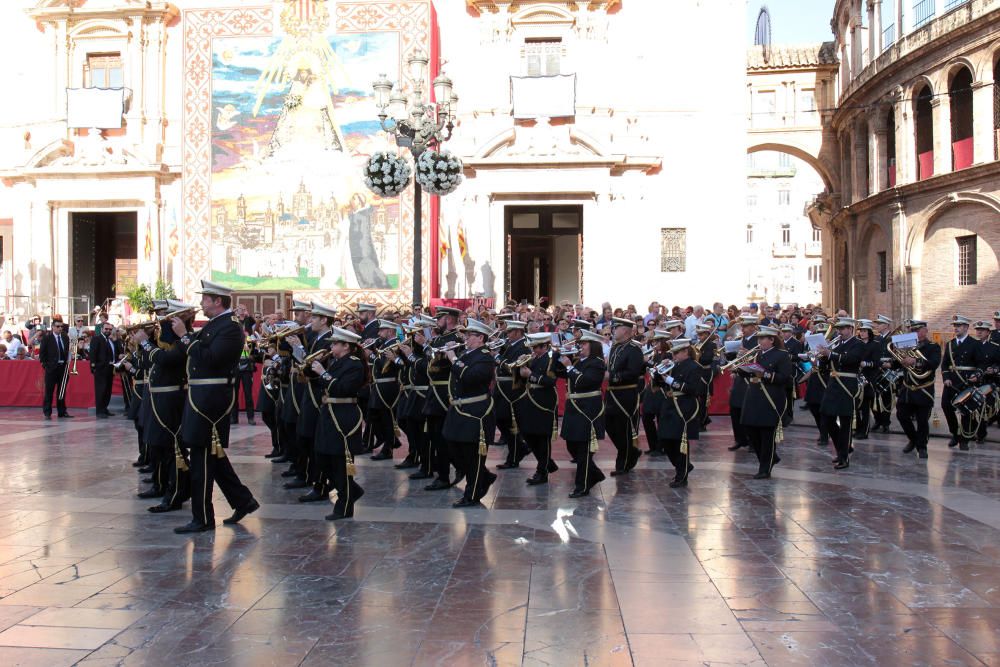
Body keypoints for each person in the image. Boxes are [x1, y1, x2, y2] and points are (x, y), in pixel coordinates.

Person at [173, 280, 259, 534]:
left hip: (211, 399)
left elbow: (210, 359)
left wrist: (184, 336)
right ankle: (243, 500)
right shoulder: (215, 325)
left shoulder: (231, 328)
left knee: (202, 458)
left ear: (217, 301)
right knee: (213, 456)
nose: (201, 304)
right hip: (202, 395)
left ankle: (202, 517)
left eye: (205, 300)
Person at [138, 301, 194, 513]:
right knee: (158, 446)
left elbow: (164, 359)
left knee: (173, 450)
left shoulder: (183, 342)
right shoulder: (169, 342)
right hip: (159, 400)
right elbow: (150, 360)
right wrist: (146, 340)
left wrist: (145, 343)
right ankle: (163, 486)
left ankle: (177, 492)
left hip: (172, 401)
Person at [312, 326, 367, 520]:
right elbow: (321, 384)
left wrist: (323, 373)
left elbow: (343, 388)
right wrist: (316, 371)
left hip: (343, 415)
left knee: (339, 462)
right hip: (329, 413)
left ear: (346, 346)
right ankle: (353, 490)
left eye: (335, 343)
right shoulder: (336, 362)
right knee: (322, 457)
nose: (332, 346)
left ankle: (344, 507)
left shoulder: (354, 364)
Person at [443, 318, 498, 507]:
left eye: (469, 335)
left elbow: (471, 377)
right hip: (459, 409)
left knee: (472, 455)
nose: (465, 338)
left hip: (476, 411)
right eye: (465, 335)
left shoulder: (485, 356)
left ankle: (472, 495)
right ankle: (485, 476)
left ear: (480, 337)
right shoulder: (466, 353)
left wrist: (453, 358)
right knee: (452, 447)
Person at [293, 301, 337, 502]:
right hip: (310, 392)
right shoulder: (319, 338)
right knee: (305, 436)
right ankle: (312, 478)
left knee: (313, 439)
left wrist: (300, 350)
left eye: (314, 318)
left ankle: (320, 483)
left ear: (324, 320)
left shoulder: (329, 340)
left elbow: (313, 367)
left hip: (318, 393)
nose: (310, 321)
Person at [739, 326, 794, 479]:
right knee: (750, 429)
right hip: (754, 395)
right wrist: (742, 363)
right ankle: (770, 458)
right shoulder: (756, 354)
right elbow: (744, 373)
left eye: (763, 338)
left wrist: (765, 373)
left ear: (771, 340)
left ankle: (765, 467)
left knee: (767, 433)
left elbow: (785, 378)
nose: (760, 341)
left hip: (771, 397)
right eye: (759, 338)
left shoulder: (782, 355)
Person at [558, 329, 607, 497]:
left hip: (588, 409)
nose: (580, 347)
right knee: (572, 445)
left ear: (592, 346)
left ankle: (582, 485)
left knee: (583, 449)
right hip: (576, 409)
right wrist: (557, 356)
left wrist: (569, 366)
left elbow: (584, 381)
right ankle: (595, 474)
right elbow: (562, 373)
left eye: (584, 344)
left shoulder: (597, 362)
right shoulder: (580, 361)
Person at [816, 318, 865, 469]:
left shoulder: (858, 344)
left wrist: (830, 354)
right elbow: (827, 364)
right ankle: (842, 448)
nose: (840, 331)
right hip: (833, 384)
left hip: (847, 384)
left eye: (843, 328)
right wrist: (821, 356)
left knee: (845, 422)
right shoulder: (837, 344)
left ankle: (844, 457)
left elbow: (852, 359)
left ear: (850, 328)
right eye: (838, 328)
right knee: (826, 418)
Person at [515, 332, 563, 485]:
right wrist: (521, 369)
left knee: (542, 437)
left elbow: (551, 381)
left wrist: (531, 375)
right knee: (528, 433)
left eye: (536, 347)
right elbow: (523, 378)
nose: (533, 350)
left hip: (544, 401)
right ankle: (547, 463)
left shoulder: (551, 358)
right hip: (530, 399)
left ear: (544, 346)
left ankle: (542, 472)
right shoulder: (534, 358)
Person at [423, 306, 463, 490]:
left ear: (447, 318)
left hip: (444, 392)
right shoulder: (439, 338)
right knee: (434, 434)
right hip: (433, 392)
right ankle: (452, 468)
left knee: (442, 436)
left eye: (438, 318)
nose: (435, 322)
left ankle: (445, 474)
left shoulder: (456, 339)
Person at [657, 338, 705, 487]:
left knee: (679, 441)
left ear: (685, 351)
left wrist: (671, 381)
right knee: (665, 439)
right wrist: (658, 371)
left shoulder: (694, 367)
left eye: (677, 353)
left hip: (684, 406)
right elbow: (660, 383)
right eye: (673, 353)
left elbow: (693, 389)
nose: (674, 356)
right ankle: (683, 466)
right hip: (669, 405)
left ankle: (681, 474)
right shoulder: (673, 365)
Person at [605, 317, 645, 475]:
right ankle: (631, 452)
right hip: (611, 393)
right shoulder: (615, 348)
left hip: (626, 393)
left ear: (626, 331)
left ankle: (623, 463)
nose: (614, 330)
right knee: (609, 425)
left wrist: (612, 376)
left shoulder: (634, 349)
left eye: (617, 328)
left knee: (624, 428)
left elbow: (633, 372)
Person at [896, 319, 941, 459]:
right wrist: (894, 362)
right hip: (908, 388)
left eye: (917, 330)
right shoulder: (907, 344)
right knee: (901, 415)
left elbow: (934, 364)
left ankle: (922, 447)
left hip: (923, 389)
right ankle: (913, 439)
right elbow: (898, 362)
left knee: (922, 421)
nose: (913, 332)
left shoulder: (933, 346)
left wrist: (915, 361)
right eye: (911, 330)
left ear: (925, 331)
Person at [940, 315, 984, 451]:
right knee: (946, 406)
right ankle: (955, 433)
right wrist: (946, 377)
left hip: (967, 381)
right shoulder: (950, 344)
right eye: (955, 326)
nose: (956, 328)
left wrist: (977, 375)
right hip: (951, 381)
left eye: (958, 326)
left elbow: (981, 364)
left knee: (966, 411)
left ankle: (964, 439)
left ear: (966, 327)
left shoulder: (975, 344)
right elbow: (945, 364)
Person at [493, 317, 530, 469]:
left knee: (509, 422)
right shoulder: (509, 344)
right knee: (500, 420)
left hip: (511, 389)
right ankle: (519, 449)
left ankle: (514, 455)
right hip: (502, 388)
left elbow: (512, 367)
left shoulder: (523, 346)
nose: (506, 334)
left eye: (509, 331)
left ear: (517, 332)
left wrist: (496, 356)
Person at [368, 320, 403, 461]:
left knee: (386, 419)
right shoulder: (384, 345)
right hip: (379, 386)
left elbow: (385, 366)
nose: (378, 333)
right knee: (373, 416)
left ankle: (388, 447)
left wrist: (370, 354)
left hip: (387, 386)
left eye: (381, 330)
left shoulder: (394, 345)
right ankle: (391, 441)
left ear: (390, 331)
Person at [726, 315, 759, 452]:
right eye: (742, 326)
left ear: (752, 327)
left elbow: (760, 359)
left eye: (744, 326)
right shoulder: (742, 339)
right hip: (740, 378)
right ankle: (739, 439)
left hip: (751, 379)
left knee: (750, 411)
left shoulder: (758, 340)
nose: (742, 329)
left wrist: (748, 355)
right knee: (735, 409)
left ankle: (753, 441)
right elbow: (736, 359)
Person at [642, 329, 672, 457]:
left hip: (661, 390)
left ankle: (661, 447)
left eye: (657, 341)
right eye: (654, 341)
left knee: (661, 419)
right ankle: (653, 445)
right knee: (646, 416)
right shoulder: (655, 354)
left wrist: (648, 361)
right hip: (652, 388)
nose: (655, 344)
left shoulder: (668, 355)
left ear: (663, 342)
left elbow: (661, 371)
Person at [38, 321, 72, 420]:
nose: (60, 328)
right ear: (53, 327)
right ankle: (47, 412)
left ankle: (62, 411)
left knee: (61, 391)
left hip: (63, 367)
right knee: (49, 391)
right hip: (52, 368)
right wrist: (47, 366)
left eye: (61, 326)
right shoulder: (47, 338)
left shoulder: (65, 338)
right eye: (57, 326)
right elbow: (42, 354)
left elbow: (67, 351)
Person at [853, 320, 880, 440]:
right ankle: (857, 428)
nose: (862, 333)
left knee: (865, 407)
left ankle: (864, 431)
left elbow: (877, 362)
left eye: (864, 331)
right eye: (861, 331)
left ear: (869, 332)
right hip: (856, 377)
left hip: (868, 378)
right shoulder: (856, 344)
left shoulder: (874, 344)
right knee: (856, 406)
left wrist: (866, 364)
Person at [871, 315, 895, 433]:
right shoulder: (876, 338)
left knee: (887, 396)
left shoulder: (893, 338)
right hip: (877, 369)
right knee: (875, 396)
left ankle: (886, 422)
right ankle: (877, 420)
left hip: (889, 369)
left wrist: (891, 363)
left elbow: (898, 355)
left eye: (879, 324)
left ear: (886, 325)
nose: (877, 326)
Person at [89, 322, 117, 417]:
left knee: (107, 390)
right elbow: (92, 354)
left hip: (110, 368)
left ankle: (104, 408)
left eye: (110, 329)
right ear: (101, 329)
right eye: (106, 329)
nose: (108, 331)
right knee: (101, 390)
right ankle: (99, 411)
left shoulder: (110, 340)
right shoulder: (97, 339)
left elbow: (113, 353)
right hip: (101, 368)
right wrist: (94, 367)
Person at [231, 336, 257, 425]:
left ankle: (250, 417)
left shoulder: (250, 341)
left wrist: (249, 355)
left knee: (248, 394)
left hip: (247, 370)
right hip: (236, 369)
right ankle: (234, 417)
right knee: (234, 394)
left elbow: (256, 356)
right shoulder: (233, 341)